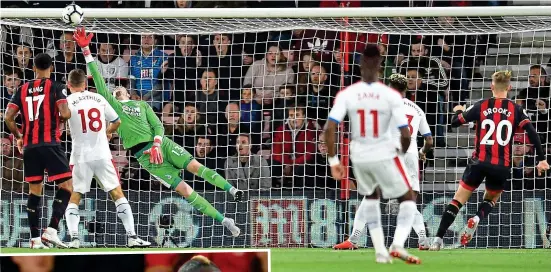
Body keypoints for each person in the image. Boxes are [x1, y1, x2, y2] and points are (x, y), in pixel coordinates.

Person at [73, 27, 242, 236]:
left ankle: (231, 189)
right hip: (146, 157)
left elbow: (159, 126)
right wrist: (86, 50)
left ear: (128, 93)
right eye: (114, 91)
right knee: (185, 191)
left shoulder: (142, 105)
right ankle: (224, 219)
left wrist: (157, 144)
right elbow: (98, 80)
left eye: (120, 89)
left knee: (197, 167)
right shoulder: (114, 107)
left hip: (161, 145)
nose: (117, 90)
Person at [430, 71, 550, 250]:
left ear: (491, 87)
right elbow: (533, 134)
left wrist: (459, 110)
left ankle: (437, 240)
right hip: (501, 165)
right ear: (509, 88)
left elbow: (455, 122)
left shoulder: (481, 105)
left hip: (479, 162)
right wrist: (541, 159)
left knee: (457, 200)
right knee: (491, 199)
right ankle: (476, 219)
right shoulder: (516, 109)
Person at [325, 44, 420, 264]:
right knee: (407, 198)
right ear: (380, 66)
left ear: (359, 66)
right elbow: (405, 135)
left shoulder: (348, 93)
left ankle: (375, 249)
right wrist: (401, 153)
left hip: (358, 156)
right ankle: (397, 244)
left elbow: (329, 129)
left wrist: (333, 161)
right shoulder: (390, 96)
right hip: (385, 153)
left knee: (370, 198)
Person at [333, 73, 434, 251]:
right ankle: (423, 239)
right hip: (410, 156)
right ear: (405, 89)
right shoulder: (417, 109)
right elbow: (429, 140)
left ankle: (353, 239)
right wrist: (422, 152)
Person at [63, 69, 150, 249]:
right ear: (85, 84)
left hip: (80, 156)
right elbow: (117, 121)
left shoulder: (67, 101)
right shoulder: (99, 98)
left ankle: (74, 239)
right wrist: (107, 133)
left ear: (69, 85)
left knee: (75, 196)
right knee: (117, 194)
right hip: (102, 153)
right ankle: (132, 237)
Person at [3, 53, 73, 249]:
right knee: (67, 186)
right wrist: (60, 118)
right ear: (51, 68)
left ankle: (34, 239)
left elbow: (8, 117)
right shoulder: (57, 86)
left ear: (33, 68)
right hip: (50, 144)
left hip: (30, 147)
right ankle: (51, 230)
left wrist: (18, 136)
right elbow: (66, 113)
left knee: (35, 192)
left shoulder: (23, 89)